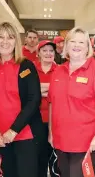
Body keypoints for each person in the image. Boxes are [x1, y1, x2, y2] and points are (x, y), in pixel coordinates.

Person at [0, 22, 44, 177]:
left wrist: (13, 130)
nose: (5, 41)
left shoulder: (26, 66)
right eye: (1, 37)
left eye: (10, 37)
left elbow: (33, 100)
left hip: (25, 136)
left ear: (17, 41)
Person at [48, 27, 95, 177]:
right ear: (66, 45)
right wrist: (51, 133)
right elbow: (52, 103)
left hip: (87, 143)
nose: (76, 45)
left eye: (81, 42)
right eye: (72, 41)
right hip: (61, 141)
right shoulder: (58, 72)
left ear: (87, 48)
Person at [34, 40, 60, 177]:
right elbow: (27, 91)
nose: (48, 53)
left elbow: (61, 91)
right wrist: (50, 89)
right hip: (35, 121)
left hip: (55, 121)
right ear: (39, 53)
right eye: (44, 50)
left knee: (55, 159)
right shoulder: (31, 69)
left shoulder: (61, 70)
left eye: (51, 51)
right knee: (39, 158)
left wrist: (39, 89)